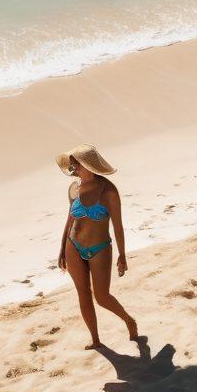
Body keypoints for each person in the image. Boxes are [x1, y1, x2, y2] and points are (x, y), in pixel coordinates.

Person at [56, 145, 137, 348]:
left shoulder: (108, 191)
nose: (73, 168)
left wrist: (122, 255)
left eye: (76, 164)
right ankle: (95, 340)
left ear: (88, 165)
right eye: (72, 164)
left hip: (100, 248)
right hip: (73, 246)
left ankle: (129, 320)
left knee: (102, 297)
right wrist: (61, 250)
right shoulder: (74, 188)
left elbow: (118, 226)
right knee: (83, 294)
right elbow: (69, 220)